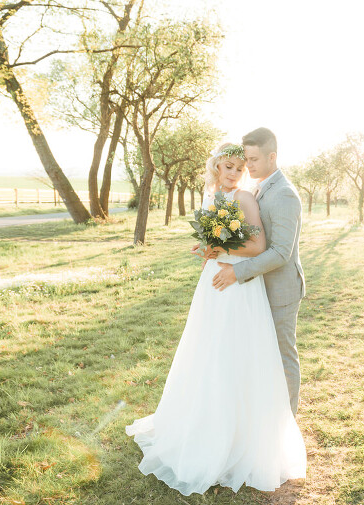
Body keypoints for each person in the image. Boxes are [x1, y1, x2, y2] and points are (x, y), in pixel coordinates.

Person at [125, 142, 306, 496]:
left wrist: (221, 249)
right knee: (206, 348)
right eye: (229, 167)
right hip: (213, 281)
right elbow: (215, 238)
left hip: (238, 282)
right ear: (216, 168)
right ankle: (204, 422)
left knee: (236, 350)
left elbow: (257, 246)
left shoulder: (245, 198)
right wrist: (207, 248)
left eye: (240, 167)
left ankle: (244, 432)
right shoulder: (210, 198)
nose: (235, 172)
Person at [210, 127, 306, 417]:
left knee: (282, 354)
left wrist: (236, 273)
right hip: (259, 287)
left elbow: (280, 253)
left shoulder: (285, 195)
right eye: (245, 160)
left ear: (272, 156)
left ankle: (287, 421)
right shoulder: (260, 188)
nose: (247, 166)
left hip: (282, 290)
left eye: (252, 160)